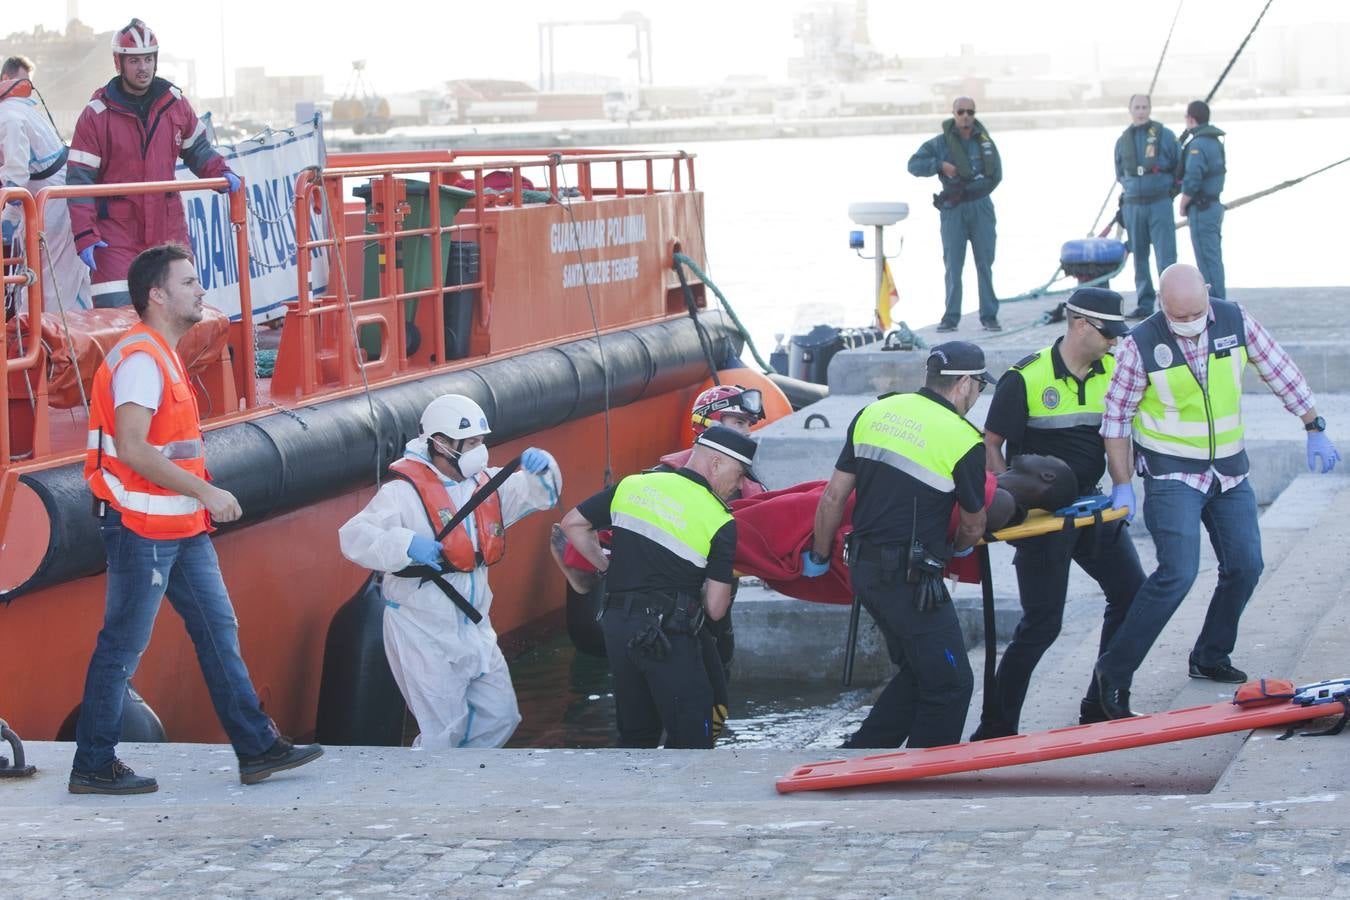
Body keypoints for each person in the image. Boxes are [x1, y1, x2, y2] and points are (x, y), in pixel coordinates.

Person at [71, 243, 322, 794]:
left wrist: (195, 504)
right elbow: (136, 450)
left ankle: (256, 748)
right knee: (122, 646)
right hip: (143, 528)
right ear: (156, 295)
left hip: (178, 529)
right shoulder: (141, 360)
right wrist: (207, 492)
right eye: (188, 283)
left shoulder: (161, 355)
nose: (200, 290)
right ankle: (92, 762)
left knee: (218, 632)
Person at [1095, 264, 1339, 718]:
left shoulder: (1234, 320)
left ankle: (1209, 655)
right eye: (1177, 316)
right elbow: (1116, 420)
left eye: (1195, 313)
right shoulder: (1140, 344)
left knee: (1246, 565)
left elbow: (1279, 369)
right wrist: (1123, 484)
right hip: (1172, 476)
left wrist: (1313, 424)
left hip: (1229, 472)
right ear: (1162, 306)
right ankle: (1113, 673)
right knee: (1177, 575)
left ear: (1208, 293)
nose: (1187, 324)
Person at [338, 394, 561, 749]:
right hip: (421, 627)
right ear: (441, 442)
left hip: (474, 625)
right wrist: (405, 543)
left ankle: (459, 783)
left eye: (481, 442)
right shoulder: (401, 494)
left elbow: (540, 495)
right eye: (471, 442)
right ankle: (438, 795)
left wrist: (544, 469)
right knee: (444, 730)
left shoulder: (487, 485)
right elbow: (354, 537)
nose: (480, 450)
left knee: (500, 715)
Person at [972, 287, 1147, 739]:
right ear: (1080, 325)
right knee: (1042, 624)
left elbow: (1121, 432)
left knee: (1133, 596)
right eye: (1108, 334)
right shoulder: (1025, 378)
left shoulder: (1115, 371)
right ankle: (995, 728)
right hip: (1041, 518)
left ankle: (1102, 700)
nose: (1114, 342)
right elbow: (992, 444)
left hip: (1094, 508)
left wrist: (1124, 485)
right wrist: (1005, 504)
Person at [548, 384, 767, 740]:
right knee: (695, 724)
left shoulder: (640, 484)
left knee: (638, 730)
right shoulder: (713, 503)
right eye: (736, 422)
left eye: (747, 424)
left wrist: (606, 569)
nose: (744, 431)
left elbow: (578, 524)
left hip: (628, 620)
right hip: (682, 621)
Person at [805, 341, 991, 748]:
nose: (978, 395)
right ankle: (924, 776)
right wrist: (958, 549)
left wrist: (819, 555)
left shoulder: (874, 413)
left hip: (866, 573)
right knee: (952, 683)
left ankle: (863, 752)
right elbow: (974, 524)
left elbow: (834, 497)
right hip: (911, 582)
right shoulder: (963, 440)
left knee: (917, 670)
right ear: (963, 384)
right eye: (979, 385)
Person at [66, 18, 240, 309]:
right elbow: (79, 181)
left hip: (167, 227)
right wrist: (85, 234)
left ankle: (171, 359)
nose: (143, 67)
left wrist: (222, 172)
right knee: (118, 317)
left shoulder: (175, 104)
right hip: (116, 235)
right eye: (134, 61)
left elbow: (197, 149)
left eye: (148, 59)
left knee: (181, 310)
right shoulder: (96, 115)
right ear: (119, 63)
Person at [1, 55, 91, 313]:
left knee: (52, 274)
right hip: (50, 193)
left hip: (51, 199)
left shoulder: (9, 117)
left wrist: (10, 217)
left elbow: (15, 179)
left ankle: (54, 341)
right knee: (56, 272)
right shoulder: (20, 110)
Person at [908, 97, 1002, 333]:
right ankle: (951, 317)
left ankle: (989, 316)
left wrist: (975, 191)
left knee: (985, 263)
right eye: (961, 112)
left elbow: (997, 174)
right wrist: (940, 166)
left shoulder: (985, 142)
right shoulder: (940, 144)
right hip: (953, 210)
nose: (965, 116)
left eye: (970, 112)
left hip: (981, 207)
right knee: (953, 265)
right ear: (953, 114)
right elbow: (913, 165)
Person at [1115, 95, 1179, 320]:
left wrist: (1169, 192)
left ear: (1150, 109)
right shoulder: (1123, 140)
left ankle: (1170, 303)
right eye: (1137, 107)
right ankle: (1144, 303)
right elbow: (1119, 172)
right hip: (1134, 205)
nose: (1141, 111)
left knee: (1166, 256)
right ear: (1130, 110)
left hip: (1159, 202)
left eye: (1144, 107)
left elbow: (1178, 167)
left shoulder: (1165, 136)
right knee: (1139, 256)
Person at [1177, 100, 1226, 300]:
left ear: (1190, 119)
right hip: (1214, 206)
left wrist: (1183, 203)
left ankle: (1215, 303)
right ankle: (1218, 300)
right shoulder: (1215, 140)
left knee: (1206, 261)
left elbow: (1193, 177)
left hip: (1202, 208)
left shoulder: (1198, 144)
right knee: (1213, 258)